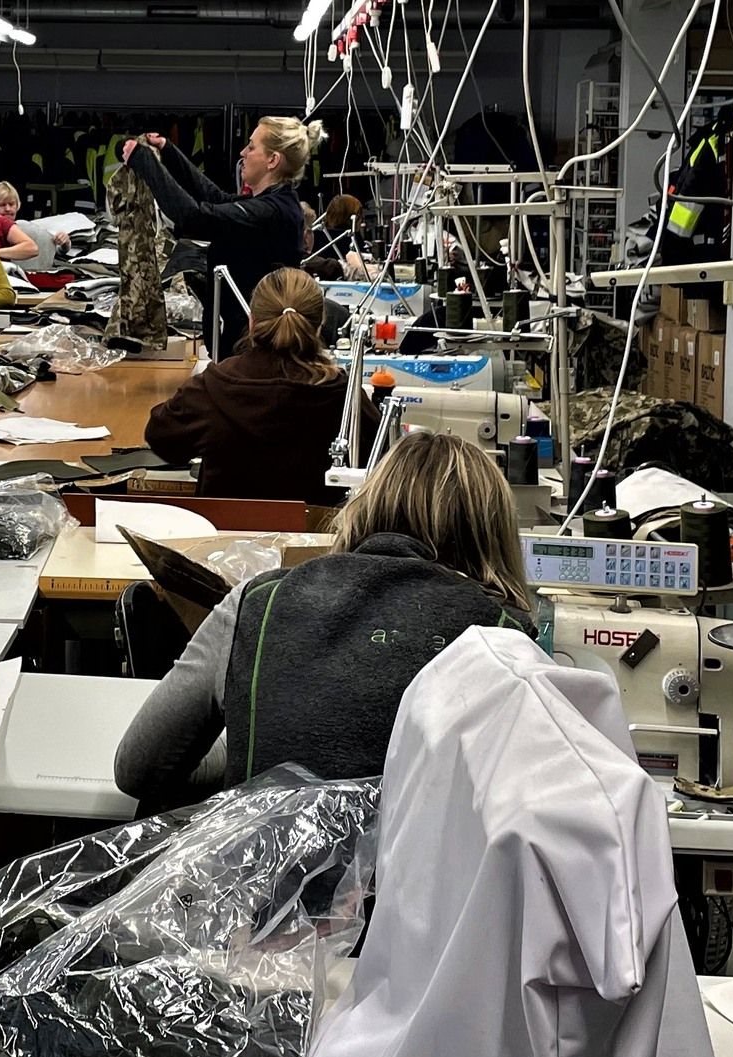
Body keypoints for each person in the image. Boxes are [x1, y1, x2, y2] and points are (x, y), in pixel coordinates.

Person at [113, 430, 534, 810]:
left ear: (365, 507)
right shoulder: (506, 636)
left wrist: (255, 758)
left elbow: (138, 769)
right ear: (491, 537)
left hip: (265, 869)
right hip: (417, 874)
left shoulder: (258, 603)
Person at [145, 268, 356, 505]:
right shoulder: (342, 394)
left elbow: (161, 438)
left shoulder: (213, 386)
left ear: (252, 321)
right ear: (319, 325)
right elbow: (379, 459)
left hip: (224, 526)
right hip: (317, 527)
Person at [120, 117, 322, 354]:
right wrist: (168, 152)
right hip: (246, 344)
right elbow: (215, 198)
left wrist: (143, 160)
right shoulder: (274, 203)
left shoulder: (271, 212)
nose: (243, 153)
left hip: (250, 349)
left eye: (251, 147)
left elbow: (194, 217)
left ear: (272, 160)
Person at [0, 180, 70, 249]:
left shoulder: (28, 230)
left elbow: (52, 253)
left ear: (18, 205)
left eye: (11, 204)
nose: (8, 209)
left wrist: (64, 242)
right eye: (2, 205)